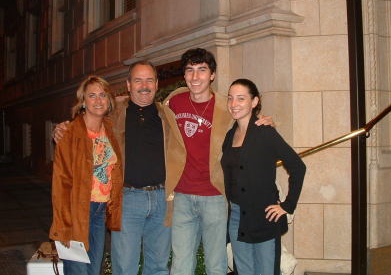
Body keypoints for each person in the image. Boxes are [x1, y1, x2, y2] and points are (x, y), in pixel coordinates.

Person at [162, 48, 274, 275]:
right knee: (181, 265)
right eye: (190, 71)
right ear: (184, 75)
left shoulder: (226, 106)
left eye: (202, 70)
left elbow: (249, 120)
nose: (195, 77)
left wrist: (266, 122)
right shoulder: (173, 103)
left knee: (216, 265)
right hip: (181, 195)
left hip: (215, 195)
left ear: (212, 75)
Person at [53, 61, 171, 275]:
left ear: (156, 83)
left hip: (158, 200)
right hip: (125, 201)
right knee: (122, 267)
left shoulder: (166, 115)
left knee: (158, 266)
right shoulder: (113, 117)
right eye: (138, 80)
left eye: (149, 80)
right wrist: (62, 129)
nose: (144, 86)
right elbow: (61, 181)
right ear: (128, 85)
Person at [221, 79, 306, 275]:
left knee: (266, 271)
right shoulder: (229, 136)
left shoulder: (265, 132)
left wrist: (287, 205)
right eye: (230, 98)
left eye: (241, 98)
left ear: (254, 102)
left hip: (264, 216)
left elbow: (297, 167)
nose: (234, 104)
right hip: (236, 217)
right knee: (244, 271)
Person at [49, 75, 123, 275]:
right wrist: (63, 225)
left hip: (99, 211)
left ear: (108, 100)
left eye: (103, 95)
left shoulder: (109, 128)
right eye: (92, 95)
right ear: (83, 102)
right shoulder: (69, 133)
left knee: (93, 268)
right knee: (78, 270)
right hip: (76, 211)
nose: (98, 100)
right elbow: (61, 183)